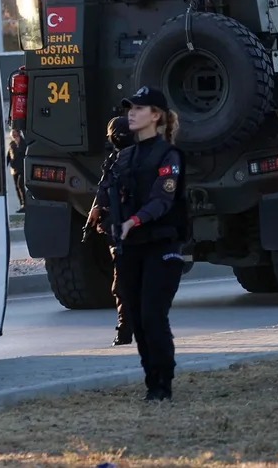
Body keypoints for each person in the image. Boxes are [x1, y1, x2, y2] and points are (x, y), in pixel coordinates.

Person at [102, 85, 187, 402]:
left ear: (156, 116)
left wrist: (134, 221)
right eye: (130, 109)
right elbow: (110, 194)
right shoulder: (123, 157)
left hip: (162, 245)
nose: (131, 113)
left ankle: (162, 383)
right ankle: (152, 380)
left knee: (153, 316)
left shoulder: (170, 155)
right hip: (131, 248)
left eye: (139, 109)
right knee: (136, 318)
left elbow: (163, 199)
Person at [84, 114, 136, 346]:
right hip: (130, 230)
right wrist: (97, 211)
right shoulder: (121, 160)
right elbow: (104, 193)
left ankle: (126, 331)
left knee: (123, 285)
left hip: (130, 231)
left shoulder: (122, 162)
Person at [7, 126, 29, 213]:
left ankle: (25, 204)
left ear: (18, 133)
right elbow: (9, 156)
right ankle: (22, 205)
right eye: (12, 134)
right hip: (14, 169)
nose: (13, 135)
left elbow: (26, 154)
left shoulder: (24, 143)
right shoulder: (11, 144)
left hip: (22, 168)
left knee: (20, 185)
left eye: (14, 134)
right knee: (17, 187)